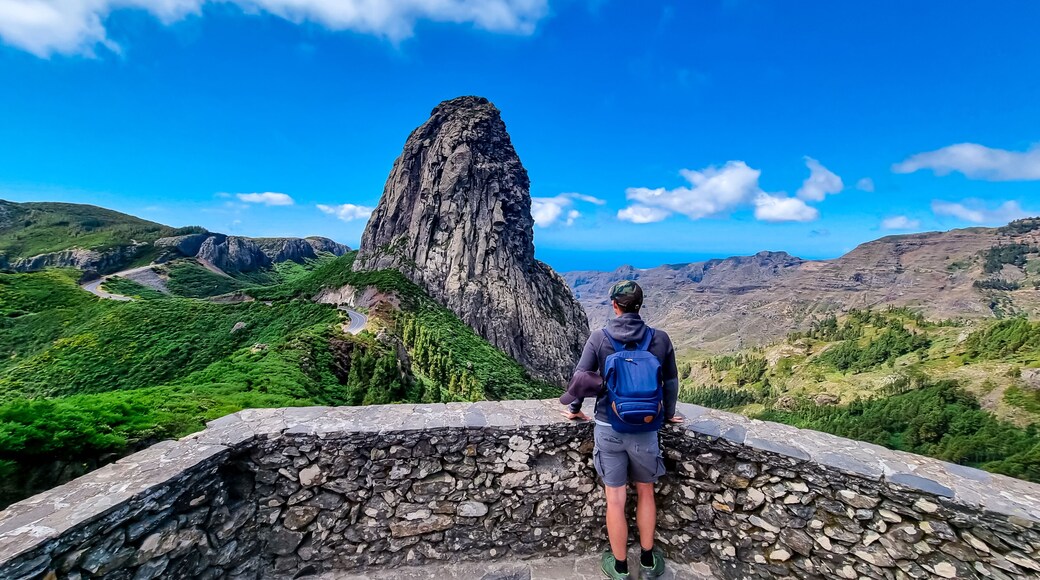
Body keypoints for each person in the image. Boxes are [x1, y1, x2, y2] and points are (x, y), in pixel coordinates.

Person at [560, 280, 682, 579]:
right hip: (647, 429)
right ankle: (650, 562)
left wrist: (575, 410)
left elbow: (582, 379)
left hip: (608, 426)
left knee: (615, 499)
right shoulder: (661, 339)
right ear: (640, 305)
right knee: (646, 493)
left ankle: (620, 567)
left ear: (614, 305)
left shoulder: (600, 338)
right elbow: (670, 382)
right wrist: (668, 414)